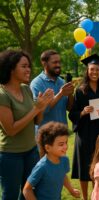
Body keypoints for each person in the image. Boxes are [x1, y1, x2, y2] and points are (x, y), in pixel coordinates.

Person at [0, 50, 53, 200]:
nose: (28, 69)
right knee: (10, 195)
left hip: (31, 151)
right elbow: (10, 130)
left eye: (28, 66)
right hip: (11, 156)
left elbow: (36, 121)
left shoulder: (26, 89)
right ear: (11, 69)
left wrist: (41, 108)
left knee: (28, 192)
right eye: (23, 66)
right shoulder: (2, 95)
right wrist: (36, 108)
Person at [68, 54, 99, 200]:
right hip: (84, 133)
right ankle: (85, 197)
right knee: (84, 168)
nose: (94, 72)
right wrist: (83, 112)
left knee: (98, 168)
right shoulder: (80, 90)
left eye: (97, 70)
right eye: (92, 70)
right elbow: (72, 114)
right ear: (87, 71)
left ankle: (96, 196)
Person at [23, 122, 80, 199]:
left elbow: (62, 175)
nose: (65, 146)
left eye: (66, 143)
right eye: (61, 144)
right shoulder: (42, 167)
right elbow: (26, 190)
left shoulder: (64, 160)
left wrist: (71, 190)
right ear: (48, 148)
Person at [30, 49, 74, 127]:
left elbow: (70, 108)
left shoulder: (62, 82)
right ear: (44, 64)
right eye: (54, 62)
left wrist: (70, 94)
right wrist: (61, 94)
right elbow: (39, 112)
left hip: (62, 133)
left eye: (59, 62)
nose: (58, 65)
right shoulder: (36, 84)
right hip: (45, 135)